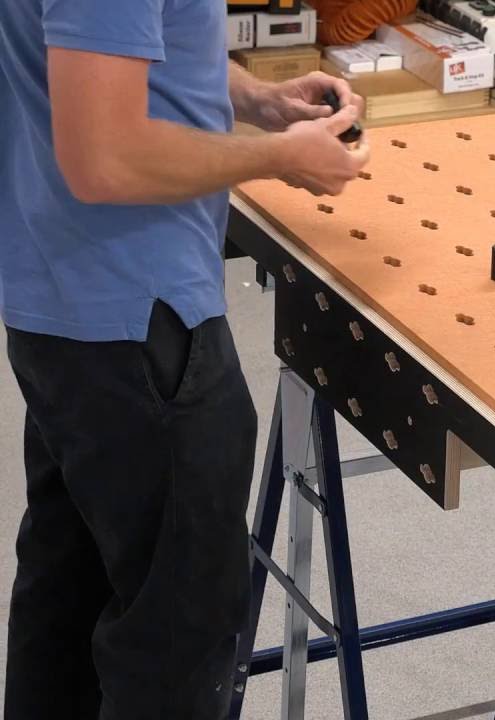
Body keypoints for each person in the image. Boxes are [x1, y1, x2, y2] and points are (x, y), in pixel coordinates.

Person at [0, 1, 371, 717]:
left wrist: (256, 98)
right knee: (175, 633)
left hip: (64, 296)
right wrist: (278, 156)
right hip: (137, 317)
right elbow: (106, 159)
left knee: (70, 595)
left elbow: (110, 46)